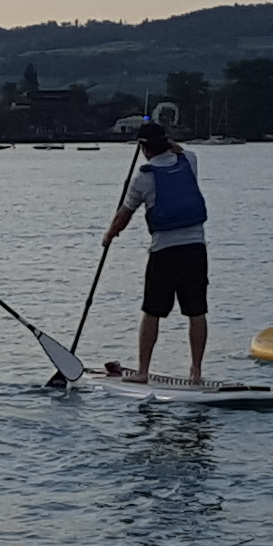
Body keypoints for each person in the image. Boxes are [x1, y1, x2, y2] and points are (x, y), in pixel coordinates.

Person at [100, 116, 209, 381]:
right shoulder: (190, 161)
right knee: (197, 311)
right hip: (196, 248)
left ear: (144, 149)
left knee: (152, 312)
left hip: (164, 252)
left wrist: (109, 235)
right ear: (166, 142)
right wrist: (165, 143)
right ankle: (196, 371)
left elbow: (123, 216)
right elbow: (180, 150)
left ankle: (143, 372)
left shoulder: (142, 178)